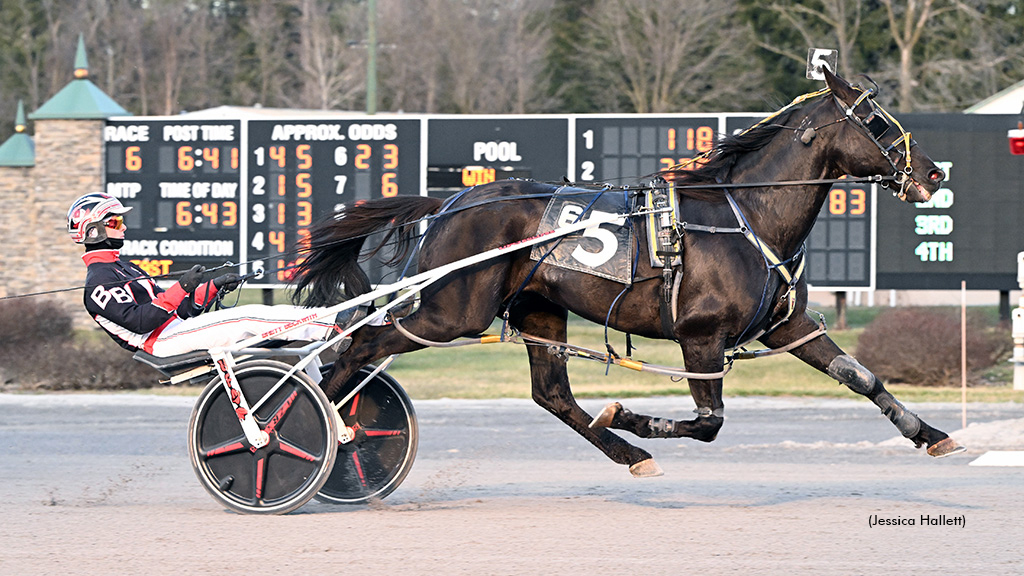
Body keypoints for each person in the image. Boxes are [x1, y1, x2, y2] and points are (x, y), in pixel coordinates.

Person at [68, 193, 358, 358]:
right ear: (94, 231)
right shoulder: (99, 281)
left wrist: (212, 287)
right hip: (160, 341)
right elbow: (142, 321)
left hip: (174, 329)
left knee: (256, 315)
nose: (123, 227)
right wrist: (182, 287)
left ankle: (331, 323)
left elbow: (180, 309)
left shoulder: (125, 268)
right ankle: (333, 326)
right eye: (115, 221)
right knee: (246, 318)